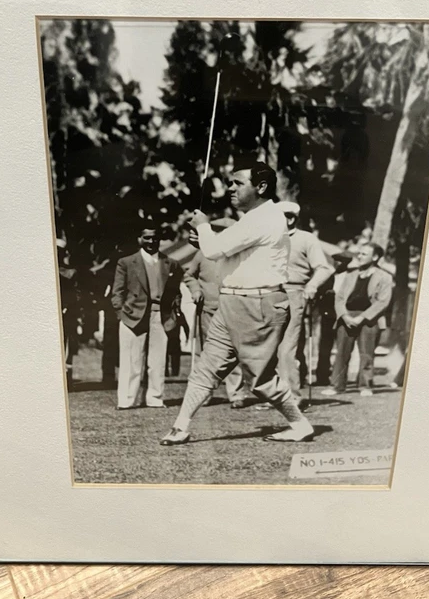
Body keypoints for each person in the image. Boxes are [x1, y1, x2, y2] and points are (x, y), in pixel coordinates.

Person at [160, 161, 315, 445]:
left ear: (262, 187)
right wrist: (204, 238)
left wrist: (204, 227)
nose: (230, 188)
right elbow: (226, 256)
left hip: (258, 304)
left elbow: (214, 249)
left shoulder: (266, 218)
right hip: (233, 302)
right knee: (205, 368)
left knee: (260, 381)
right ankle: (180, 427)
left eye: (238, 183)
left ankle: (300, 424)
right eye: (231, 182)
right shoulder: (251, 219)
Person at [111, 225, 182, 409]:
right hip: (132, 316)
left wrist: (175, 313)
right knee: (131, 361)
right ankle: (127, 400)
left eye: (155, 238)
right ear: (140, 239)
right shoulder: (126, 262)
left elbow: (175, 291)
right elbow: (117, 292)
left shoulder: (171, 263)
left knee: (158, 360)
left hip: (161, 316)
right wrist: (121, 313)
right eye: (147, 237)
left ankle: (155, 398)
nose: (151, 241)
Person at [183, 217, 248, 409]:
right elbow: (189, 275)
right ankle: (203, 394)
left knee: (233, 351)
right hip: (208, 310)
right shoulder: (203, 253)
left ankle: (236, 394)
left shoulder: (240, 254)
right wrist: (195, 290)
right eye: (217, 230)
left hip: (233, 309)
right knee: (205, 353)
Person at [276, 202, 334, 405]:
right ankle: (272, 394)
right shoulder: (267, 239)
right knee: (268, 348)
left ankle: (291, 397)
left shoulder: (306, 239)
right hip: (267, 295)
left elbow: (324, 269)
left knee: (287, 348)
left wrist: (312, 285)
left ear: (291, 218)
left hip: (294, 294)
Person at [326, 242, 393, 397]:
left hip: (369, 319)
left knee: (366, 354)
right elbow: (340, 298)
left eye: (364, 254)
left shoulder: (385, 277)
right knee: (341, 353)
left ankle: (365, 386)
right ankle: (336, 386)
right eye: (359, 253)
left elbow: (382, 302)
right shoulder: (350, 274)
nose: (359, 257)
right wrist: (345, 316)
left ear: (375, 257)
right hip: (347, 316)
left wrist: (361, 318)